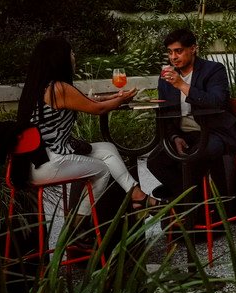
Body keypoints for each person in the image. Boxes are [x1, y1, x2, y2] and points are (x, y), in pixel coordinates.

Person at [16, 36, 158, 232]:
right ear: (60, 58)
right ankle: (78, 227)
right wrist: (122, 99)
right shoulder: (59, 88)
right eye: (71, 53)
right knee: (103, 170)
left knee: (107, 148)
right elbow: (97, 109)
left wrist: (113, 98)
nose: (74, 57)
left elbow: (86, 100)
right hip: (47, 163)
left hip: (34, 161)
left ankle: (138, 196)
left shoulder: (41, 86)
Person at [149, 28, 236, 201]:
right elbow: (165, 113)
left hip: (214, 132)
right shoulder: (166, 77)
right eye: (170, 52)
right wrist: (174, 137)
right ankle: (193, 199)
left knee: (194, 158)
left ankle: (185, 201)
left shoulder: (214, 70)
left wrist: (182, 86)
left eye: (178, 51)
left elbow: (218, 102)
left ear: (193, 49)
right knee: (156, 161)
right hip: (185, 134)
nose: (173, 57)